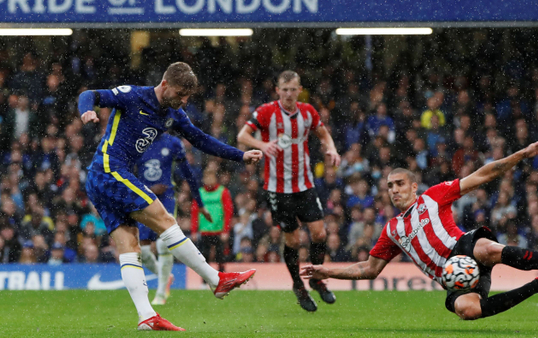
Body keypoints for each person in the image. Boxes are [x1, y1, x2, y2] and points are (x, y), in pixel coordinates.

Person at [302, 140, 538, 320]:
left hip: (463, 247)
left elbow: (482, 175)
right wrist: (326, 271)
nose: (394, 190)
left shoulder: (434, 195)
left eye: (400, 183)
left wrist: (521, 155)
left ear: (414, 186)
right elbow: (368, 268)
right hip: (452, 279)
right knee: (469, 311)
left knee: (486, 248)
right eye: (390, 186)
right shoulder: (393, 230)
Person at [78, 62, 263, 331]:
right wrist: (86, 112)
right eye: (180, 94)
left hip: (103, 179)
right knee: (165, 220)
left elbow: (201, 140)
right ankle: (216, 280)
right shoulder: (133, 95)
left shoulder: (174, 113)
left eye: (188, 96)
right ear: (165, 85)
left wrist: (241, 155)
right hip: (109, 169)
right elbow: (90, 95)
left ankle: (146, 317)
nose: (184, 100)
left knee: (130, 247)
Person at [237, 70, 341, 312]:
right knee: (293, 239)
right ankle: (298, 285)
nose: (289, 94)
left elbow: (323, 132)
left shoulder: (307, 111)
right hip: (278, 188)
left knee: (319, 234)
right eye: (284, 90)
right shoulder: (266, 112)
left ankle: (316, 279)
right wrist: (263, 144)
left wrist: (332, 149)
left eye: (293, 89)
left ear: (299, 89)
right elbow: (242, 136)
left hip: (304, 184)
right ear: (278, 91)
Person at [134, 132, 210, 306]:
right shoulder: (138, 141)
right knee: (144, 252)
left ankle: (161, 293)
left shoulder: (173, 143)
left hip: (166, 198)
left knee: (163, 243)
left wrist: (200, 203)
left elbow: (188, 175)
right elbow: (130, 172)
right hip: (145, 198)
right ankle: (166, 277)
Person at [190, 167, 233, 271]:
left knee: (220, 256)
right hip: (205, 229)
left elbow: (228, 212)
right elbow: (194, 212)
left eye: (211, 177)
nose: (209, 180)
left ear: (216, 179)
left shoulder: (223, 191)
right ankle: (204, 281)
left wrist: (226, 230)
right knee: (204, 256)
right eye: (207, 177)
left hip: (218, 229)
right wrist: (194, 230)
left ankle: (221, 276)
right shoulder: (199, 193)